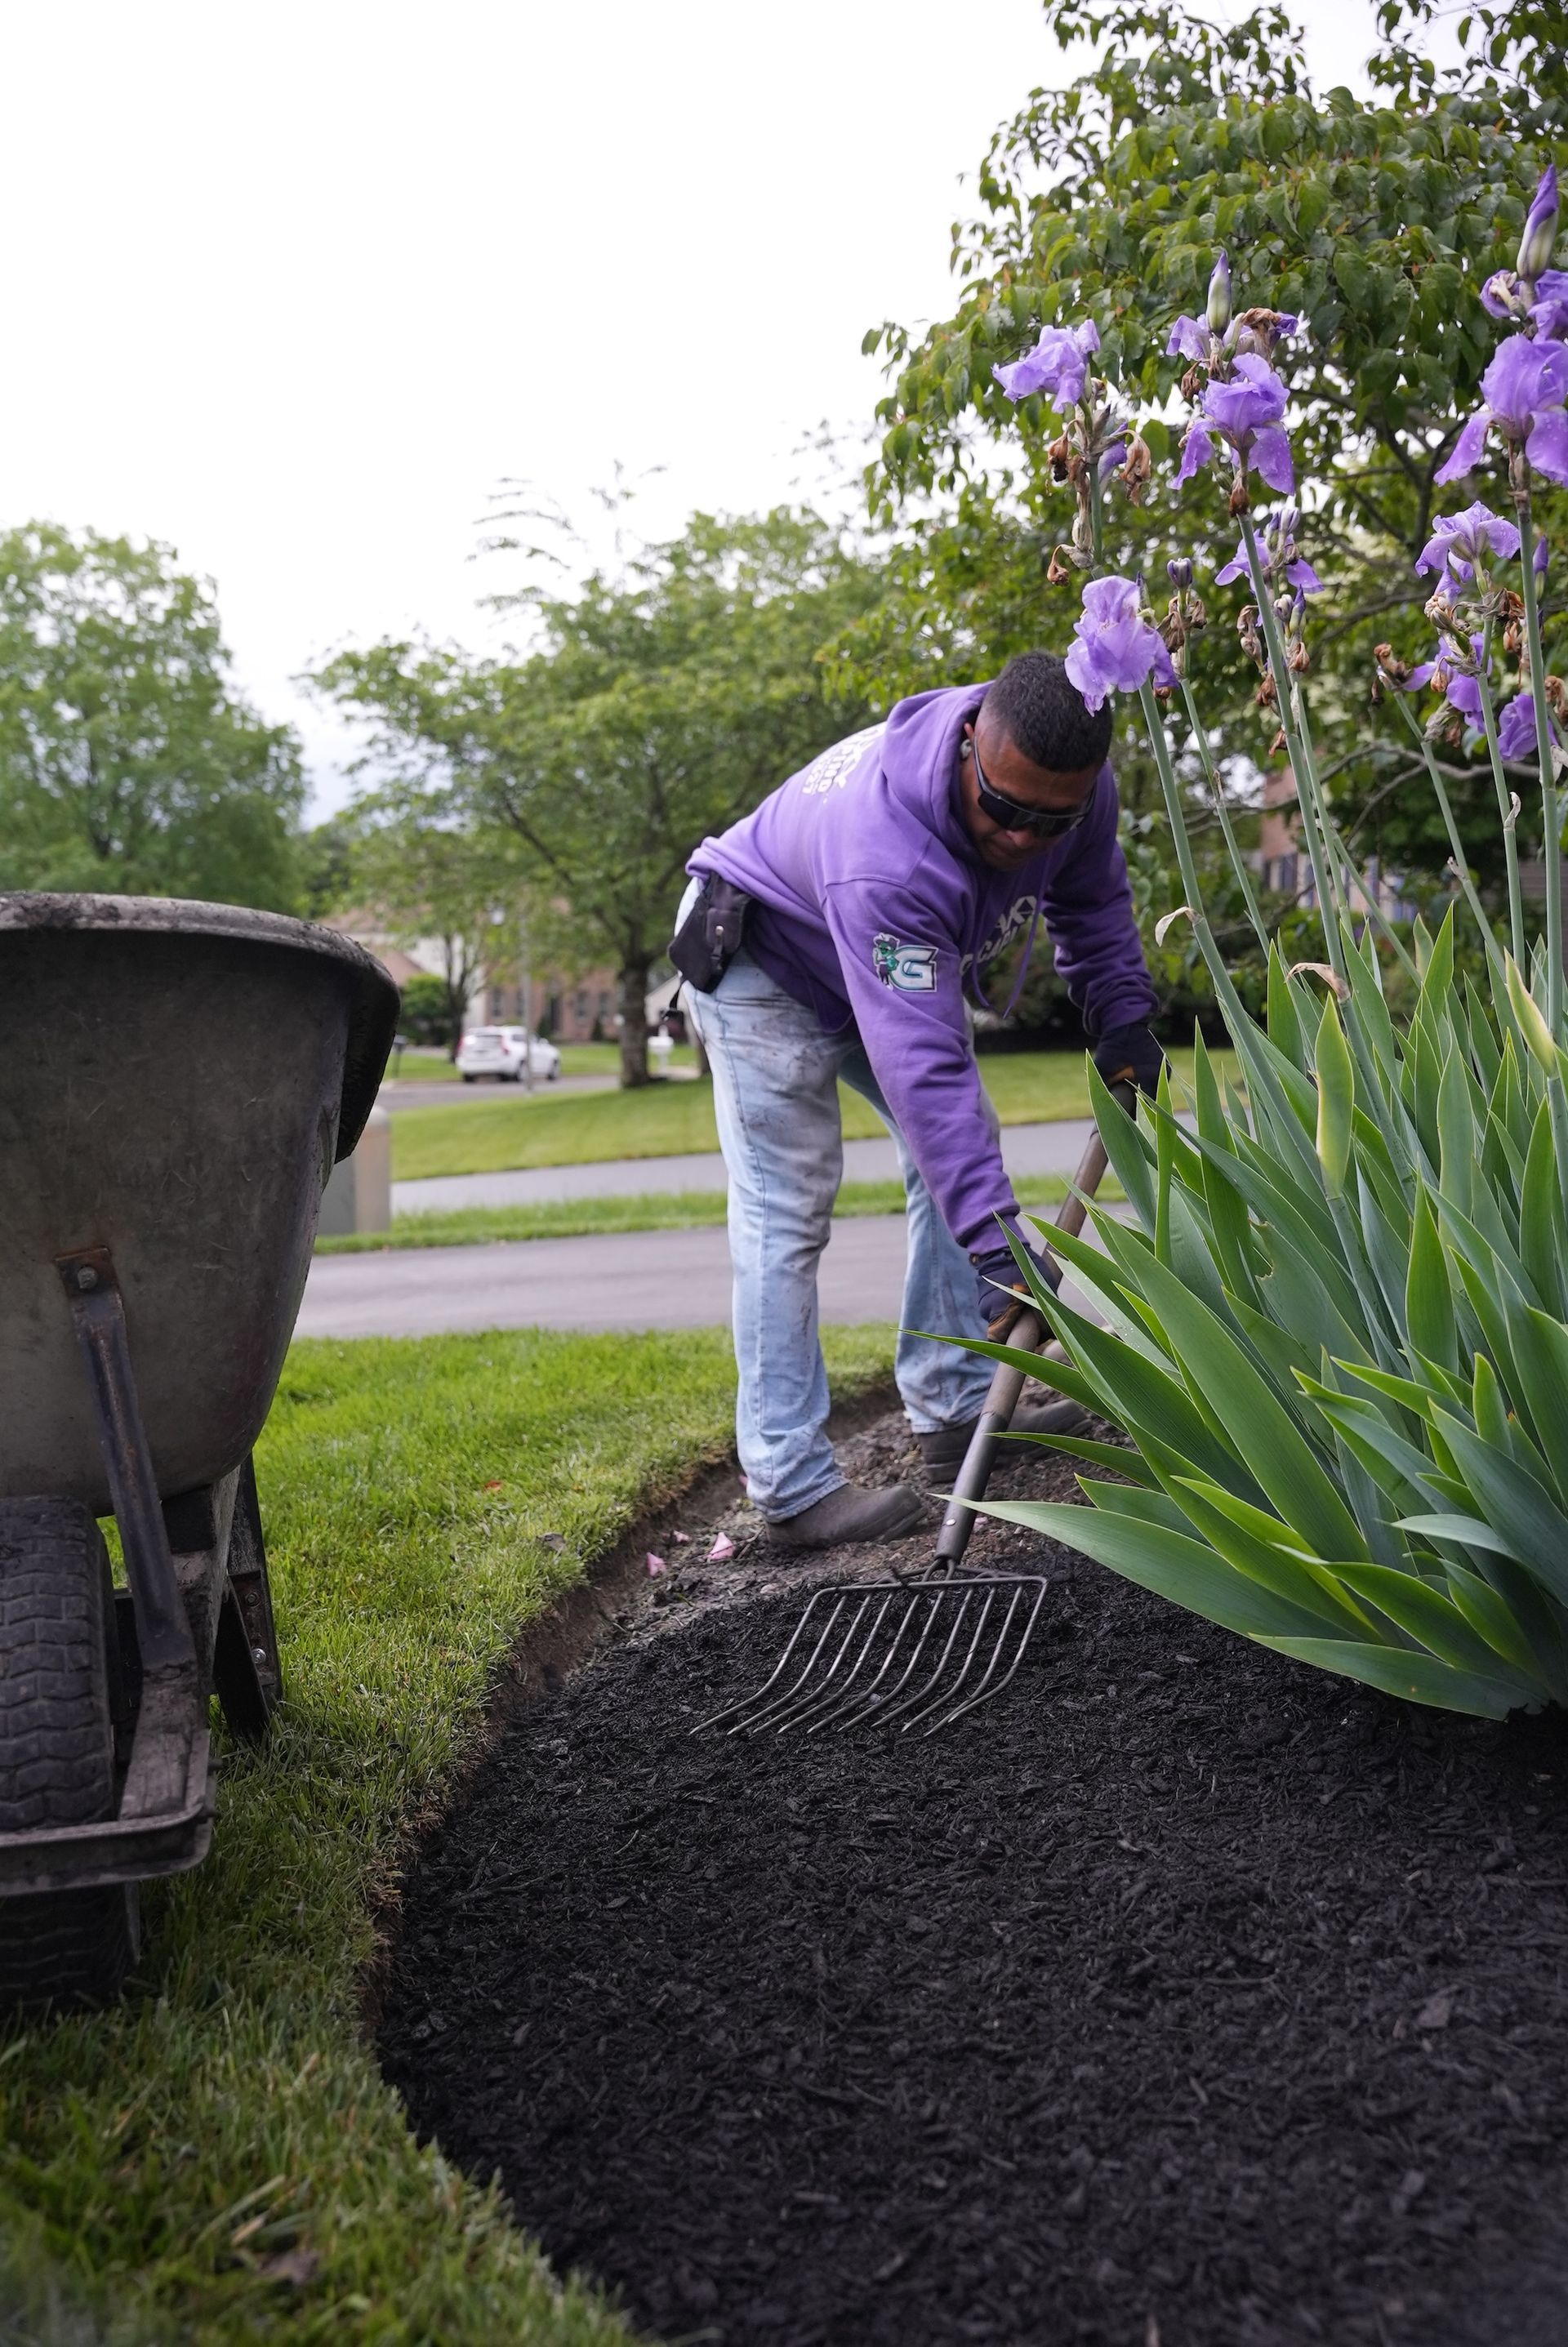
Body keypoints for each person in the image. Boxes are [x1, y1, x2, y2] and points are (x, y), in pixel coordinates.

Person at [671, 651, 1164, 1550]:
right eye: (1004, 811)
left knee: (960, 1153)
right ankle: (788, 1487)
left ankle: (955, 1402)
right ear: (972, 740)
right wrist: (998, 1251)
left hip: (866, 959)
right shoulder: (886, 855)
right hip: (762, 962)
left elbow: (1091, 908)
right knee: (789, 1209)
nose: (1022, 839)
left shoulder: (1076, 799)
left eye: (1049, 822)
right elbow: (926, 1073)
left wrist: (1123, 1021)